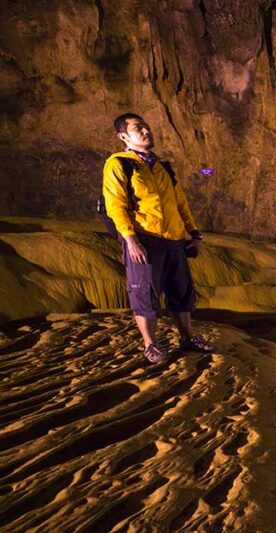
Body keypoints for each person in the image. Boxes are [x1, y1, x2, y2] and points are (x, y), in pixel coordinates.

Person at [102, 112, 214, 363]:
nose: (146, 131)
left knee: (180, 291)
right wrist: (130, 240)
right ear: (123, 136)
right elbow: (116, 205)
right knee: (144, 292)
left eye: (146, 126)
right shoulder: (119, 164)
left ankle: (187, 338)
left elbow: (180, 202)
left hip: (173, 239)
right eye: (137, 128)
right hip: (145, 239)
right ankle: (150, 345)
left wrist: (194, 233)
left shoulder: (163, 166)